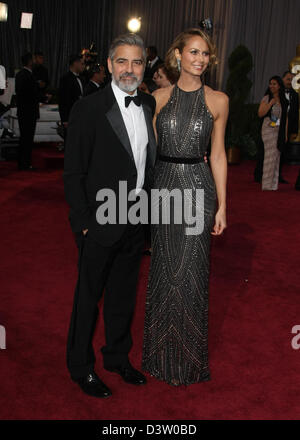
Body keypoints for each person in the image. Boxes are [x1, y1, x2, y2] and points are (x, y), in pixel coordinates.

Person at [63, 33, 156, 398]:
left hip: (135, 218)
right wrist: (84, 223)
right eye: (122, 62)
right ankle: (80, 367)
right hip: (99, 221)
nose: (129, 69)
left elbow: (146, 164)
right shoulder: (88, 108)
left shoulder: (147, 103)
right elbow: (73, 173)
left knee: (122, 296)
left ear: (144, 66)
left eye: (136, 62)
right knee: (88, 298)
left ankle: (117, 358)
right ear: (110, 65)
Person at [142, 28, 228, 386]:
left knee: (191, 275)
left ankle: (189, 361)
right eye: (193, 52)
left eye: (205, 54)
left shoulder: (218, 100)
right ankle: (159, 356)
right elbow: (149, 155)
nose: (200, 59)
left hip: (198, 189)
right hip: (164, 186)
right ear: (178, 55)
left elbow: (219, 154)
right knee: (164, 270)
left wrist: (223, 206)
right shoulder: (158, 98)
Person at [258, 76, 288, 191]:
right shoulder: (266, 98)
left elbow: (286, 119)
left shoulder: (284, 100)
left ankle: (273, 184)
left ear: (279, 86)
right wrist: (270, 103)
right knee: (269, 156)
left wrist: (285, 134)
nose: (272, 86)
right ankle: (266, 184)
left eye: (274, 84)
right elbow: (260, 113)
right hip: (268, 130)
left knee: (276, 156)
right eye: (270, 83)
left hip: (278, 131)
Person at [15, 52, 40, 170]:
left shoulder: (25, 74)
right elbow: (25, 93)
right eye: (33, 59)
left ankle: (25, 162)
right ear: (29, 61)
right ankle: (24, 163)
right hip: (27, 112)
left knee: (27, 138)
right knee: (26, 138)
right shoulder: (24, 75)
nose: (35, 61)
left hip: (27, 112)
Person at [58, 54, 85, 144]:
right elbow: (62, 101)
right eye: (82, 63)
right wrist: (65, 119)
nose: (83, 66)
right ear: (75, 63)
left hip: (81, 117)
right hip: (70, 117)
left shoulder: (82, 78)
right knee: (70, 144)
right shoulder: (65, 79)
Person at [279, 70, 299, 183]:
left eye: (291, 80)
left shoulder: (295, 95)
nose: (289, 82)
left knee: (284, 153)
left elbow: (295, 114)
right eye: (287, 79)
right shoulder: (277, 93)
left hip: (289, 127)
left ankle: (279, 175)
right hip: (277, 127)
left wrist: (294, 131)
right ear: (282, 80)